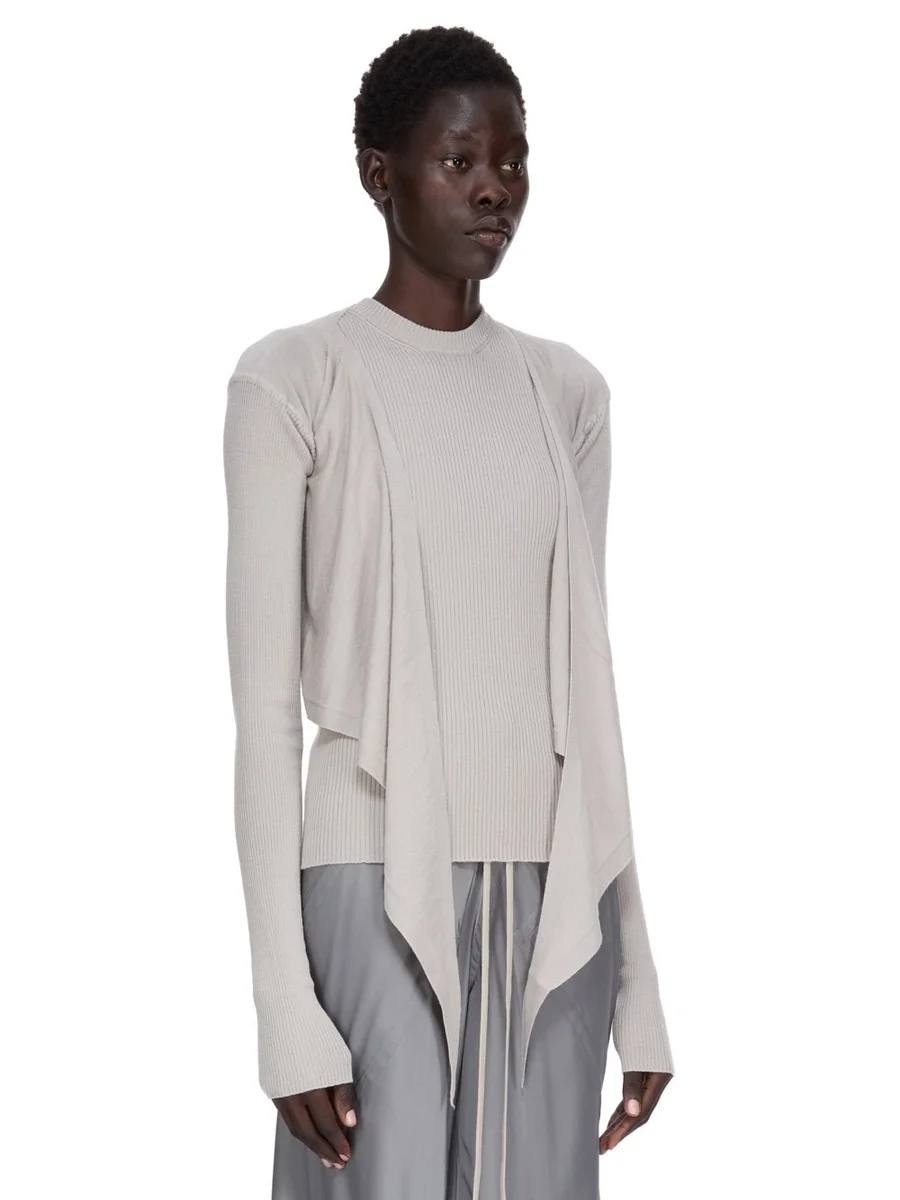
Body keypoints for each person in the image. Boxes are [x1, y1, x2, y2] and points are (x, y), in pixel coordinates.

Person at [223, 24, 675, 1200]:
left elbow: (588, 692)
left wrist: (640, 981)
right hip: (368, 874)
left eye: (512, 160)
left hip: (558, 891)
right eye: (460, 160)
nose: (494, 189)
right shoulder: (294, 380)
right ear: (380, 174)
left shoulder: (568, 394)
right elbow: (265, 715)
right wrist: (284, 1008)